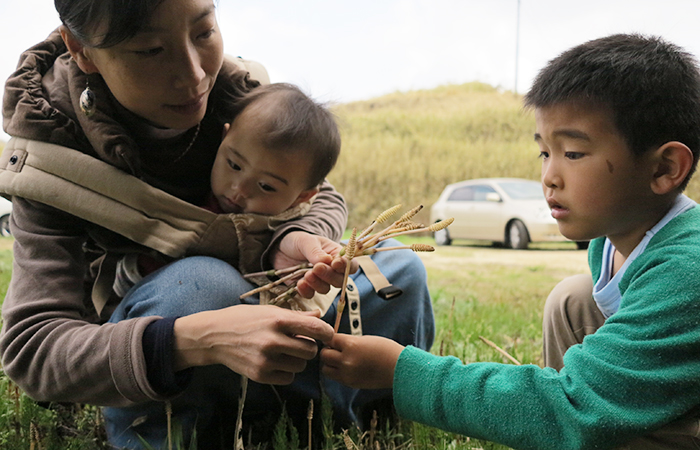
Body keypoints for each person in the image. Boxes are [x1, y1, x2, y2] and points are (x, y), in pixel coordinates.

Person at [0, 0, 435, 448]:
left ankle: (323, 416)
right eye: (150, 50)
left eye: (204, 31)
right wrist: (197, 339)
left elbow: (320, 193)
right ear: (81, 50)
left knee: (397, 271)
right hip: (170, 343)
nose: (193, 76)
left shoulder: (242, 96)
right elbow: (33, 349)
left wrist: (295, 240)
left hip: (263, 310)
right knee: (205, 286)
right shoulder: (50, 158)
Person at [321, 33, 700, 450]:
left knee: (574, 411)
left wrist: (401, 373)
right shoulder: (611, 242)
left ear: (665, 168)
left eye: (572, 153)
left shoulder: (686, 270)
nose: (549, 176)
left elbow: (571, 404)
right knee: (573, 299)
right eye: (545, 153)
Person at [113, 82, 340, 298]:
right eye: (234, 165)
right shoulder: (188, 198)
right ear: (223, 139)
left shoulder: (294, 222)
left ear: (302, 197)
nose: (239, 189)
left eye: (266, 186)